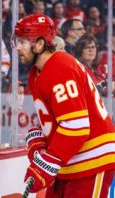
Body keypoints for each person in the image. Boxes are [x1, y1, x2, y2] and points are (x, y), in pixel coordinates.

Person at [13, 14, 115, 197]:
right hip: (69, 162)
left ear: (39, 44)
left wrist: (46, 163)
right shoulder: (36, 73)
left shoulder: (61, 67)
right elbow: (56, 118)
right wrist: (39, 137)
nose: (17, 47)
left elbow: (77, 127)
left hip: (92, 160)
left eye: (22, 41)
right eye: (16, 41)